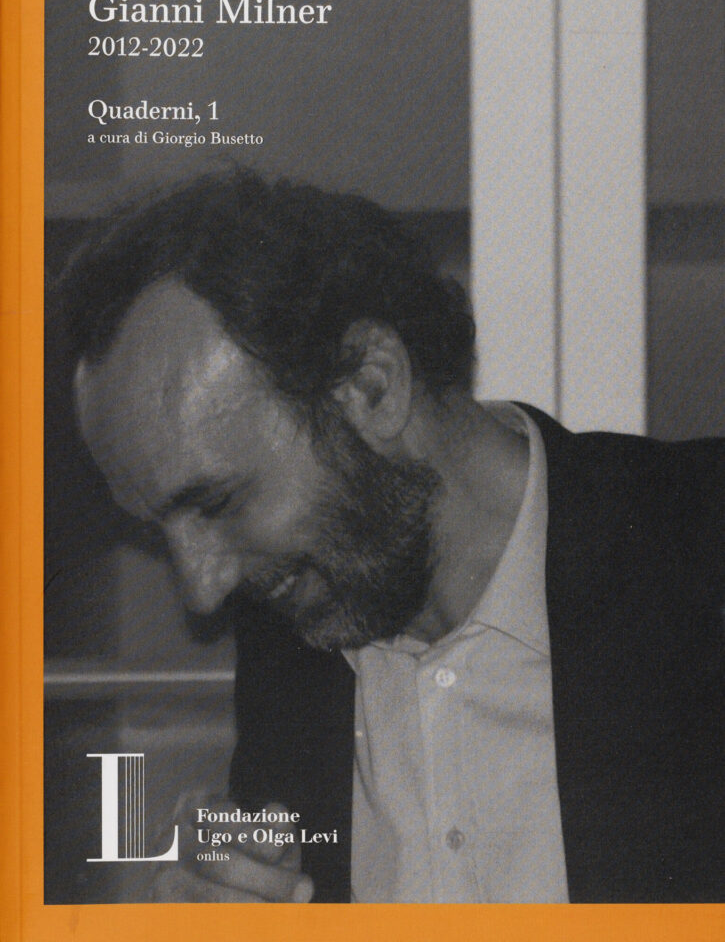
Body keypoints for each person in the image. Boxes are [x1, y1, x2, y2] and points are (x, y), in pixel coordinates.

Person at [58, 168, 723, 903]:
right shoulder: (294, 637)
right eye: (161, 530)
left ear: (372, 387)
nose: (201, 589)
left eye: (218, 501)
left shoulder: (697, 548)